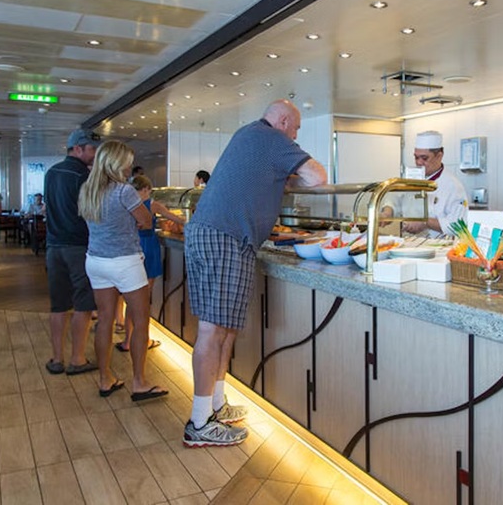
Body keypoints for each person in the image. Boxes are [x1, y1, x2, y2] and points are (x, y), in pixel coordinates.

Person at [183, 99, 327, 447]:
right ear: (283, 121)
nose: (295, 136)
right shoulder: (273, 138)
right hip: (227, 236)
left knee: (224, 328)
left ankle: (215, 404)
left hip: (211, 233)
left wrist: (281, 177)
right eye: (296, 128)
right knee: (212, 331)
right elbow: (318, 177)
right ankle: (199, 423)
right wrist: (291, 173)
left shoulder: (247, 133)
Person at [79, 140, 168, 402]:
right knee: (140, 321)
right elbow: (146, 221)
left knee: (105, 320)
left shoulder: (88, 189)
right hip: (125, 262)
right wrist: (134, 223)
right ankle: (139, 382)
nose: (130, 167)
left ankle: (105, 378)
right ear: (117, 163)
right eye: (127, 162)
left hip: (96, 260)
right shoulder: (124, 191)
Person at [43, 128, 100, 376]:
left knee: (58, 305)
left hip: (53, 247)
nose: (95, 154)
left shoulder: (51, 173)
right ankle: (77, 359)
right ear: (78, 148)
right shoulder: (84, 176)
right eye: (92, 149)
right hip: (78, 247)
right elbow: (91, 213)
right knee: (83, 304)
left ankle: (57, 359)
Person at [115, 175, 186, 352]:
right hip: (149, 248)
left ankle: (128, 340)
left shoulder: (128, 204)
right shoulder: (152, 205)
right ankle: (143, 339)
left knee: (132, 297)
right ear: (146, 189)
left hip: (133, 246)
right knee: (144, 299)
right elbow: (177, 219)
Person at [381, 130, 468, 238]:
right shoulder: (410, 178)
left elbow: (458, 225)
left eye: (424, 158)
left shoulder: (453, 186)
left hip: (438, 245)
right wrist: (387, 213)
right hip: (407, 242)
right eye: (416, 157)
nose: (419, 162)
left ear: (439, 156)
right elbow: (395, 200)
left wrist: (425, 223)